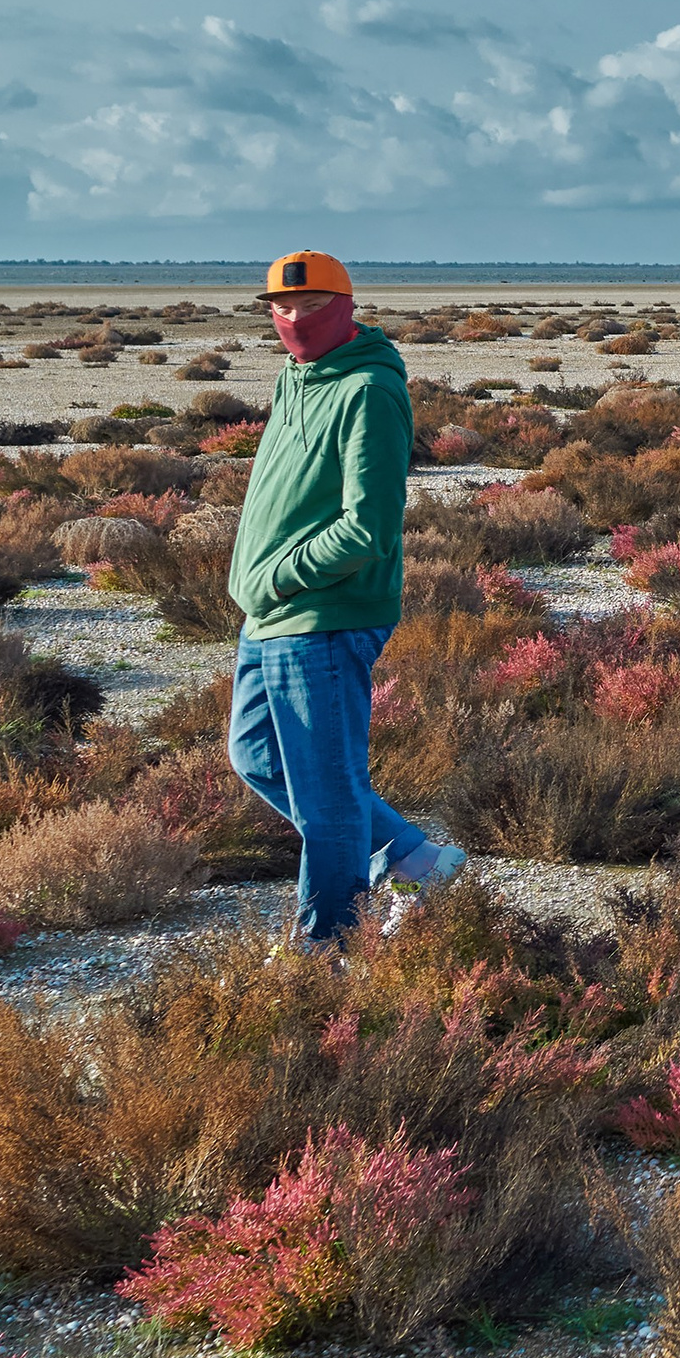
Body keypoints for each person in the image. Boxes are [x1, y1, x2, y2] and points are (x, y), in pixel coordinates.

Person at [226, 250, 464, 945]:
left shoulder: (369, 390)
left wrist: (276, 576)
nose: (295, 319)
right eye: (282, 307)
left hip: (324, 616)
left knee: (327, 803)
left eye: (311, 306)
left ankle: (323, 952)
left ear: (347, 305)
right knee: (257, 758)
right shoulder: (294, 376)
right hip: (268, 616)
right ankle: (416, 860)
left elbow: (367, 527)